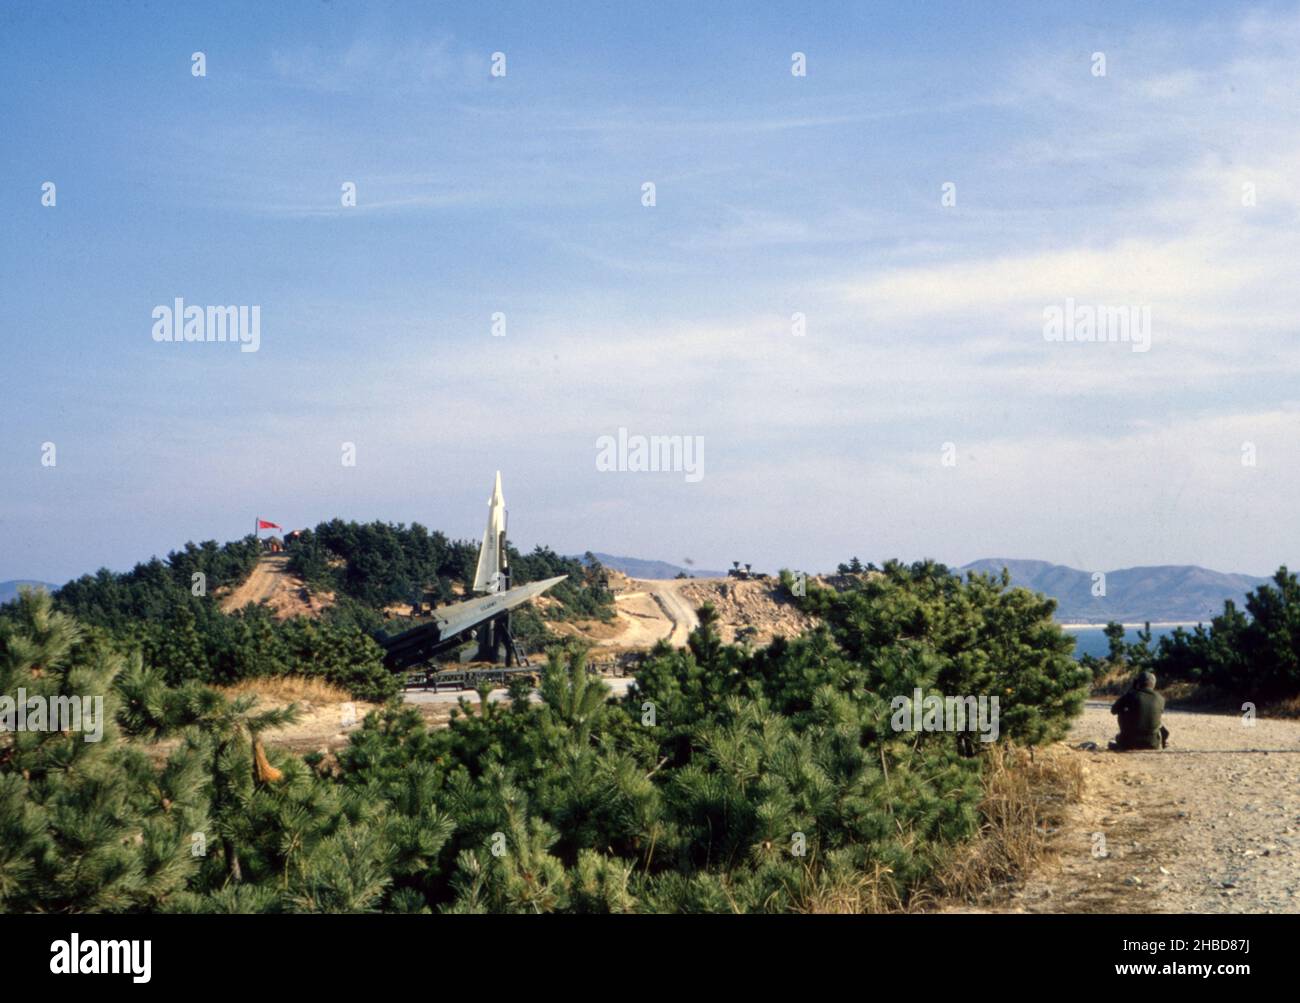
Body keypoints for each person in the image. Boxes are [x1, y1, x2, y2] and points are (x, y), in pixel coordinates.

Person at [1108, 671, 1170, 751]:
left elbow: (1114, 710)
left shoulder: (1131, 695)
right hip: (1153, 744)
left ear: (1138, 683)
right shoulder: (1160, 699)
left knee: (1122, 710)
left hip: (1128, 743)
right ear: (1153, 684)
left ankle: (1123, 738)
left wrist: (1131, 690)